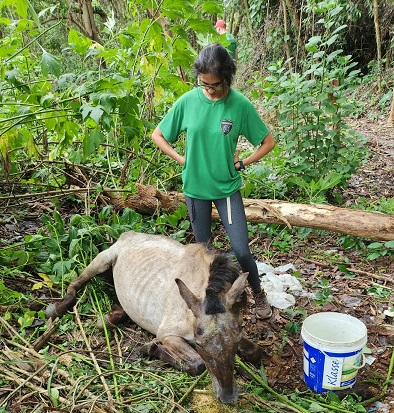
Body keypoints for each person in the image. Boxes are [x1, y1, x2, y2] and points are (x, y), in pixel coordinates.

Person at [151, 43, 275, 319]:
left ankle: (258, 295)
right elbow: (158, 135)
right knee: (203, 255)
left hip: (226, 189)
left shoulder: (239, 105)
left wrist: (243, 162)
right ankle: (210, 308)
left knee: (242, 251)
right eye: (204, 84)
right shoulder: (188, 101)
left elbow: (267, 142)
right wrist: (183, 160)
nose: (209, 89)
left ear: (227, 78)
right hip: (195, 190)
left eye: (215, 84)